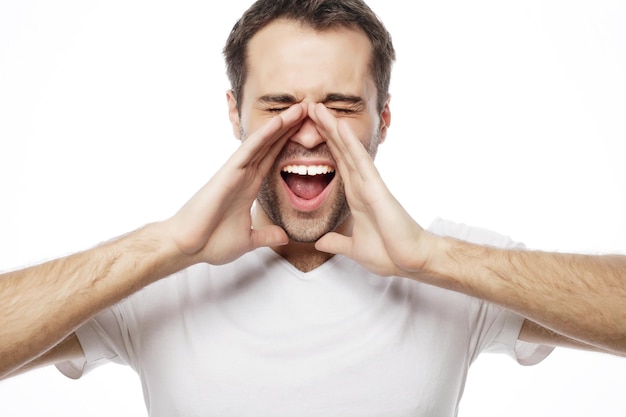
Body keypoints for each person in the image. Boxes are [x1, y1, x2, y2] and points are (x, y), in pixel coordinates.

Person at [0, 0, 624, 415]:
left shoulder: (448, 268)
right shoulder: (156, 278)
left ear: (383, 119)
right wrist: (169, 247)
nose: (306, 132)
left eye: (340, 106)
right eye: (278, 105)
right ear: (232, 113)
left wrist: (431, 258)